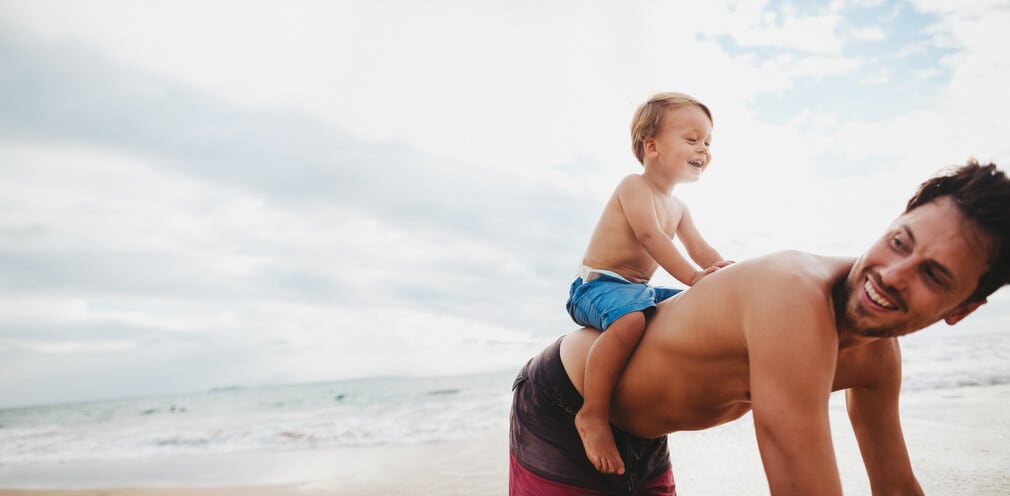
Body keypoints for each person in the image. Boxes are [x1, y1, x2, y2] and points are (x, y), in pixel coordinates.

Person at [512, 159, 1010, 495]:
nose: (892, 276)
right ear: (891, 224)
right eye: (900, 242)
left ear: (962, 309)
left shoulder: (878, 357)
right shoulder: (790, 291)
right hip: (565, 404)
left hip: (644, 436)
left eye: (934, 274)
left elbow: (896, 486)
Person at [567, 92, 733, 476]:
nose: (703, 149)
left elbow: (701, 249)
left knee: (694, 310)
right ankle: (592, 414)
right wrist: (694, 278)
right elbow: (650, 237)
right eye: (691, 140)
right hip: (598, 285)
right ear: (652, 146)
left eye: (708, 141)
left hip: (638, 290)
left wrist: (727, 275)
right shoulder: (634, 186)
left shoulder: (679, 207)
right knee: (631, 322)